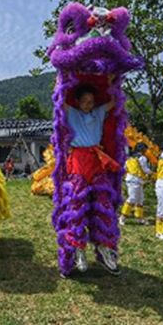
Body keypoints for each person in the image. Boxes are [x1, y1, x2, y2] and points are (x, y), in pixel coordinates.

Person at [61, 81, 122, 276]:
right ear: (78, 101)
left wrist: (114, 80)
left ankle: (104, 248)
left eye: (91, 101)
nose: (88, 104)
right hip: (79, 160)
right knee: (77, 205)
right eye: (85, 101)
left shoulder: (99, 112)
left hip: (97, 160)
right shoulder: (73, 113)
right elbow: (60, 101)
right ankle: (78, 249)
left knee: (103, 204)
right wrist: (61, 80)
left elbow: (116, 101)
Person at [120, 143, 152, 226]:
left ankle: (140, 217)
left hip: (131, 179)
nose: (146, 151)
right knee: (133, 198)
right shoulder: (142, 158)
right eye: (145, 149)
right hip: (136, 180)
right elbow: (145, 169)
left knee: (140, 199)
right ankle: (123, 217)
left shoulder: (129, 158)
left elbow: (124, 168)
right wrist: (153, 173)